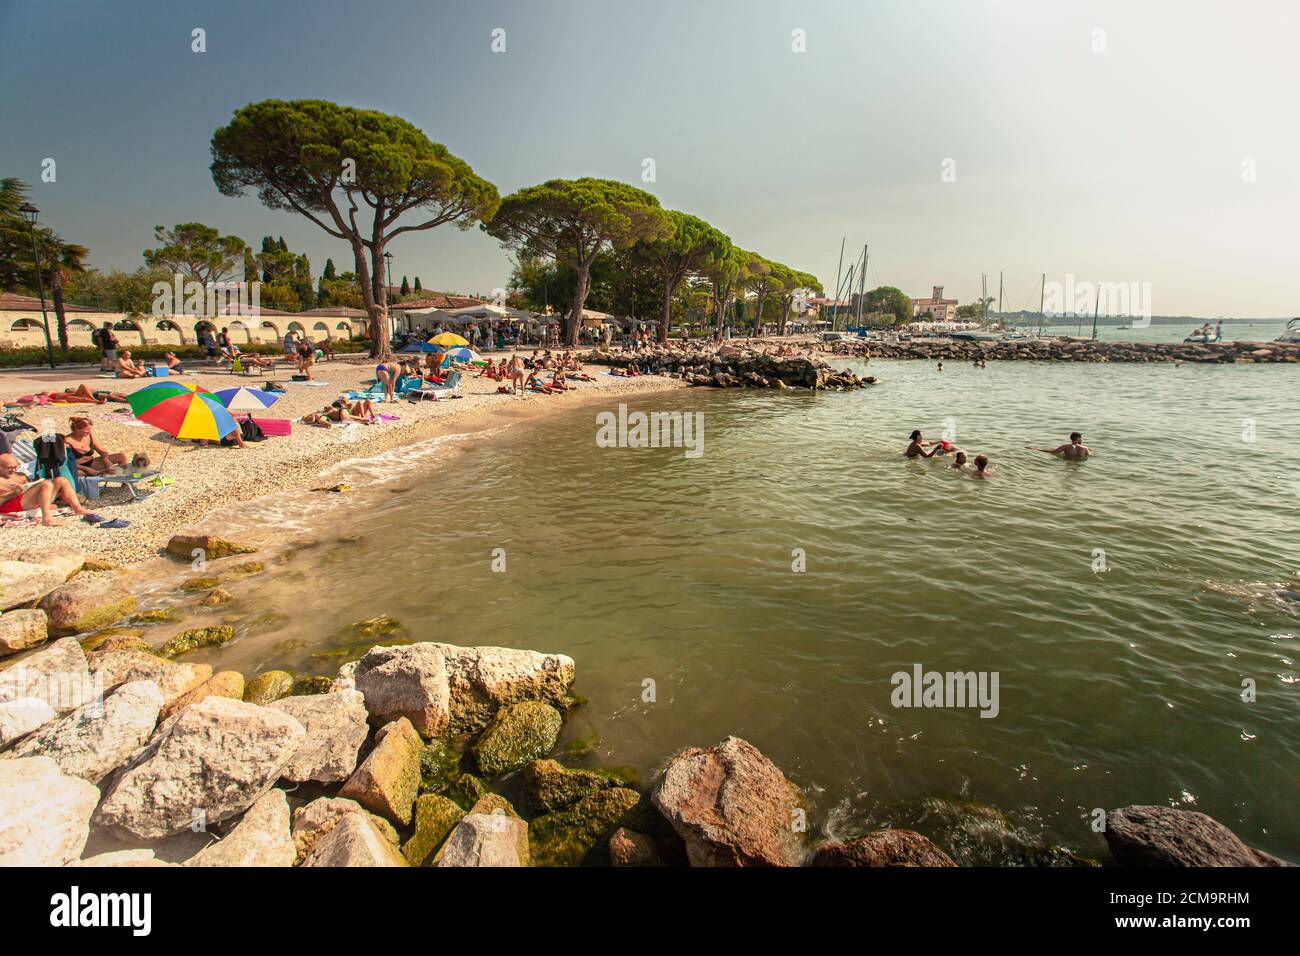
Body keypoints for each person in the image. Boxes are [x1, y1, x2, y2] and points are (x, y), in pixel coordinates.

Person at [0, 453, 96, 527]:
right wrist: (12, 493)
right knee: (45, 484)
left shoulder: (20, 476)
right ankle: (47, 518)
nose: (13, 470)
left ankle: (77, 508)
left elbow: (30, 489)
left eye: (15, 467)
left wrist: (28, 487)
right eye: (9, 468)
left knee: (61, 480)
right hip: (10, 506)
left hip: (27, 501)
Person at [64, 417, 129, 476]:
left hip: (92, 463)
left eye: (90, 429)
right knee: (77, 473)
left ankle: (125, 482)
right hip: (76, 466)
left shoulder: (89, 436)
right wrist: (86, 468)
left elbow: (102, 451)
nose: (89, 432)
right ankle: (99, 473)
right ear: (76, 429)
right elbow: (65, 461)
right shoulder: (67, 441)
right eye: (86, 430)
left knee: (121, 456)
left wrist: (106, 461)